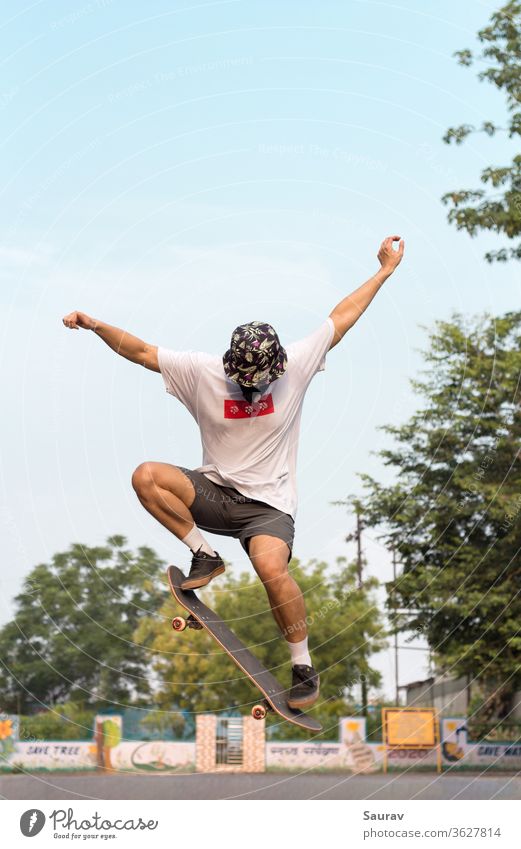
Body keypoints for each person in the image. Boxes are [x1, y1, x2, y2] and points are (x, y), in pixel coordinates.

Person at [63, 235, 404, 709]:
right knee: (146, 475)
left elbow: (341, 316)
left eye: (260, 380)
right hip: (215, 494)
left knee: (270, 569)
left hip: (268, 509)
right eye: (245, 381)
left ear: (276, 367)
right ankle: (205, 556)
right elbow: (142, 352)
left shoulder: (297, 365)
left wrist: (385, 271)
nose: (253, 387)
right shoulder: (201, 371)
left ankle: (302, 665)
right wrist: (96, 324)